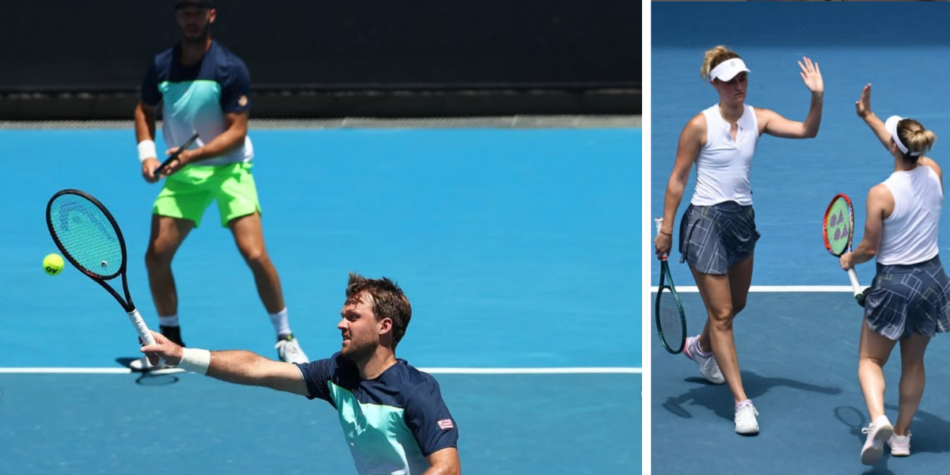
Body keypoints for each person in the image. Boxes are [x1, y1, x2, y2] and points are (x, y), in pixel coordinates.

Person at [654, 45, 824, 435]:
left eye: (743, 78)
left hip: (742, 221)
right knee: (723, 315)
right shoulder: (699, 125)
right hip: (705, 223)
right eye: (730, 81)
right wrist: (666, 229)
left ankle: (701, 348)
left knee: (737, 303)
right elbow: (678, 179)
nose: (738, 86)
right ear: (715, 83)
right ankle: (742, 403)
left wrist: (817, 97)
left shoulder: (758, 118)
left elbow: (807, 130)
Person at [140, 272, 462, 475]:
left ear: (384, 326)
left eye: (353, 317)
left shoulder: (417, 391)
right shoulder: (337, 373)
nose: (341, 324)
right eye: (342, 316)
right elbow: (260, 369)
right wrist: (181, 355)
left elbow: (447, 468)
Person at [131, 0, 307, 370]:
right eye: (184, 12)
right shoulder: (161, 66)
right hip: (185, 177)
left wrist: (188, 156)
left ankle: (285, 337)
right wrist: (147, 155)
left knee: (255, 254)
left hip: (230, 170)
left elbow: (236, 133)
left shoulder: (230, 68)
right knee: (156, 256)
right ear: (177, 17)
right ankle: (171, 341)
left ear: (211, 15)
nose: (191, 19)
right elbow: (144, 110)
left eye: (198, 11)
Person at [842, 83, 949, 465]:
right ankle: (901, 437)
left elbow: (870, 249)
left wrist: (850, 258)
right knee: (914, 362)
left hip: (896, 285)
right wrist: (868, 116)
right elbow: (899, 146)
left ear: (894, 148)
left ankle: (878, 420)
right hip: (933, 281)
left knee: (870, 361)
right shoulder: (935, 171)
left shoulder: (880, 194)